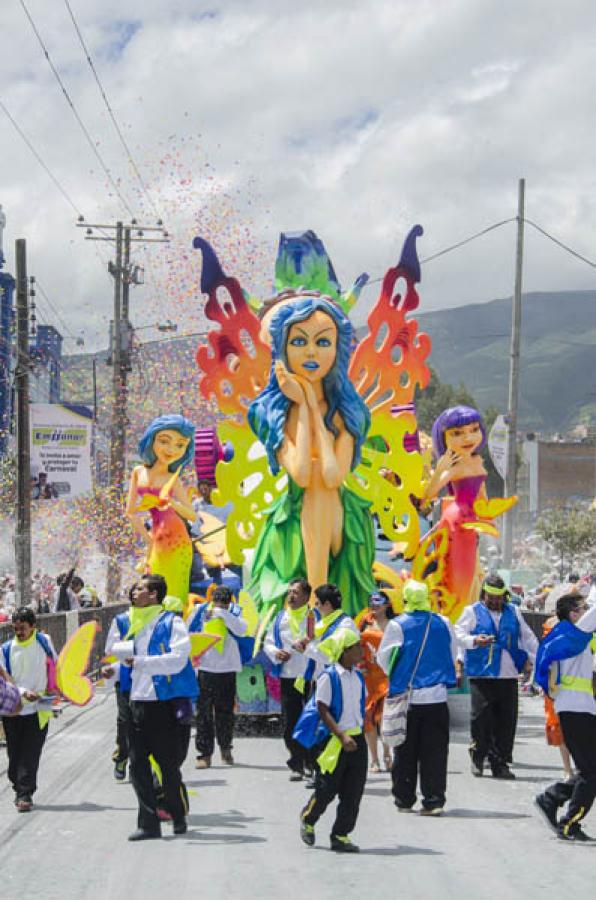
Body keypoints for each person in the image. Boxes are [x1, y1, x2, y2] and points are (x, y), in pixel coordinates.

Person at [247, 293, 375, 615]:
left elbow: (334, 476)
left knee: (322, 483)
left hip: (340, 521)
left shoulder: (348, 414)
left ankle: (318, 605)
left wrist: (315, 413)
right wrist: (302, 405)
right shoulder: (272, 413)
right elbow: (300, 473)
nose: (311, 352)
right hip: (294, 513)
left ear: (337, 349)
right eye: (299, 341)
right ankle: (319, 604)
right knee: (313, 482)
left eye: (322, 342)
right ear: (282, 350)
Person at [110, 573, 198, 841]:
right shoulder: (129, 622)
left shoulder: (172, 623)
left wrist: (141, 662)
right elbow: (125, 662)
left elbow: (178, 659)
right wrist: (112, 671)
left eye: (140, 589)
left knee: (168, 765)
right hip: (136, 701)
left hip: (162, 705)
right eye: (135, 588)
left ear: (154, 595)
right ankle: (148, 823)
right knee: (137, 766)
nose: (134, 592)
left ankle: (177, 813)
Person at [420, 406, 516, 621]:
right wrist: (440, 468)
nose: (468, 437)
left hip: (471, 524)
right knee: (461, 577)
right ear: (443, 438)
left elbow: (482, 498)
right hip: (457, 521)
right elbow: (429, 494)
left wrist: (489, 518)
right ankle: (455, 620)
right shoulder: (454, 465)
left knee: (472, 575)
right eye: (457, 433)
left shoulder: (477, 462)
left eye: (474, 429)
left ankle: (463, 618)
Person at [378, 580, 458, 815]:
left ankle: (404, 799)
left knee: (404, 750)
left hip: (408, 698)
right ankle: (434, 801)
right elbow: (452, 653)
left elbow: (384, 660)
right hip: (438, 698)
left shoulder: (397, 625)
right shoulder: (443, 622)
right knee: (435, 752)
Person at [455, 574, 538, 780]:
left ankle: (500, 763)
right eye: (490, 597)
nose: (494, 601)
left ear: (504, 596)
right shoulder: (472, 611)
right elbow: (457, 634)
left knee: (506, 722)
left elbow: (528, 638)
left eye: (498, 597)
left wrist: (535, 661)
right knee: (481, 719)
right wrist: (475, 640)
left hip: (508, 675)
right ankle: (478, 756)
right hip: (481, 673)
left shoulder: (514, 612)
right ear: (484, 594)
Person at [297, 630, 367, 853]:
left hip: (357, 739)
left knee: (353, 792)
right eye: (356, 646)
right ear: (345, 651)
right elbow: (322, 709)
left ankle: (340, 834)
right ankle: (309, 818)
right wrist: (341, 736)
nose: (360, 650)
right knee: (327, 789)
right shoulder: (329, 676)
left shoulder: (358, 677)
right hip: (335, 741)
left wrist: (356, 735)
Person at [534, 595, 596, 842]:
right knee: (591, 771)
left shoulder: (572, 636)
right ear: (573, 613)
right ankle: (569, 823)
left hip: (581, 708)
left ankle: (551, 798)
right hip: (575, 708)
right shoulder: (575, 632)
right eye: (583, 608)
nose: (587, 611)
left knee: (590, 768)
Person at [126, 415, 196, 606]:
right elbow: (130, 512)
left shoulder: (174, 478)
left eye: (180, 445)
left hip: (177, 542)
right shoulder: (138, 472)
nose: (171, 450)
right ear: (152, 439)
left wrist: (171, 502)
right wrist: (148, 539)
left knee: (173, 592)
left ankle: (175, 626)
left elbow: (192, 515)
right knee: (152, 587)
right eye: (164, 441)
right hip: (156, 536)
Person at [1, 607, 57, 812]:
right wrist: (23, 692)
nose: (19, 632)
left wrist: (58, 688)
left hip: (40, 708)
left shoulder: (44, 642)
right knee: (14, 754)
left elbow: (55, 665)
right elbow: (5, 679)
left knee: (31, 752)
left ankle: (25, 794)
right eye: (15, 628)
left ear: (33, 626)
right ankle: (19, 785)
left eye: (23, 628)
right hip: (13, 709)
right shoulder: (6, 649)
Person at [189, 584, 247, 768]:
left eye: (224, 603)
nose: (220, 606)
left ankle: (225, 748)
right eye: (217, 603)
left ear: (230, 602)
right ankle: (204, 754)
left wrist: (224, 615)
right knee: (204, 714)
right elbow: (187, 629)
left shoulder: (235, 612)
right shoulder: (201, 610)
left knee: (225, 712)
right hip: (205, 668)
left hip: (227, 668)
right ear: (211, 600)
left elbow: (242, 630)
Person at [263, 577, 315, 781]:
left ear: (306, 596)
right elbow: (268, 642)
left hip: (310, 676)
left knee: (310, 720)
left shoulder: (314, 617)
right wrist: (276, 652)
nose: (291, 595)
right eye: (289, 591)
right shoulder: (280, 618)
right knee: (289, 723)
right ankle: (297, 762)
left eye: (296, 592)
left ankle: (311, 763)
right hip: (287, 676)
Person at [358, 590, 394, 773]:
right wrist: (358, 664)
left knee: (385, 717)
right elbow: (355, 644)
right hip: (367, 677)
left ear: (387, 604)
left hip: (387, 677)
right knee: (368, 718)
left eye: (378, 602)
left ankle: (387, 753)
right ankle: (374, 759)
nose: (374, 605)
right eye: (371, 602)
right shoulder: (364, 622)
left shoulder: (394, 625)